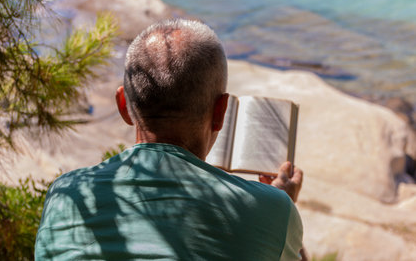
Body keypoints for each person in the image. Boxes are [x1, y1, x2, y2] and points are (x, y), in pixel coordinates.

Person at [35, 19, 304, 260]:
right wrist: (282, 207)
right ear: (221, 112)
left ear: (123, 105)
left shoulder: (64, 195)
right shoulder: (272, 210)